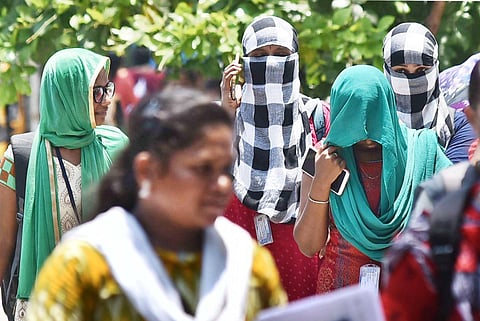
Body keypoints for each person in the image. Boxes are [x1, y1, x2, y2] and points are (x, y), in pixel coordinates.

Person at [24, 86, 287, 321]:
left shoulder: (247, 263)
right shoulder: (83, 268)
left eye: (225, 169)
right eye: (203, 168)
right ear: (147, 171)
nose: (222, 185)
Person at [293, 65, 452, 294]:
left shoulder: (422, 152)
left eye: (374, 114)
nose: (366, 130)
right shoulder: (323, 159)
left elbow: (458, 211)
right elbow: (309, 246)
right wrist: (321, 184)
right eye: (356, 117)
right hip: (342, 300)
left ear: (387, 106)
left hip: (407, 296)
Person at [0, 48, 129, 320]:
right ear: (67, 93)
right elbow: (4, 243)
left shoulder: (115, 147)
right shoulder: (19, 156)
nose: (106, 100)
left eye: (108, 89)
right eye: (96, 92)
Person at [220, 15, 330, 301]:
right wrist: (224, 115)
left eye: (280, 54)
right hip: (240, 274)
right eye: (259, 55)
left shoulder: (317, 117)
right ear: (244, 63)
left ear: (294, 59)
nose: (270, 63)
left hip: (303, 267)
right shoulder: (221, 121)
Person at [380, 60, 480, 321]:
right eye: (400, 71)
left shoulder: (437, 210)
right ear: (470, 119)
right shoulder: (440, 213)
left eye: (420, 70)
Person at [382, 22, 476, 164]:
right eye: (401, 71)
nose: (411, 80)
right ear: (387, 71)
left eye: (421, 70)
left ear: (435, 69)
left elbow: (454, 181)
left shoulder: (458, 125)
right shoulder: (370, 125)